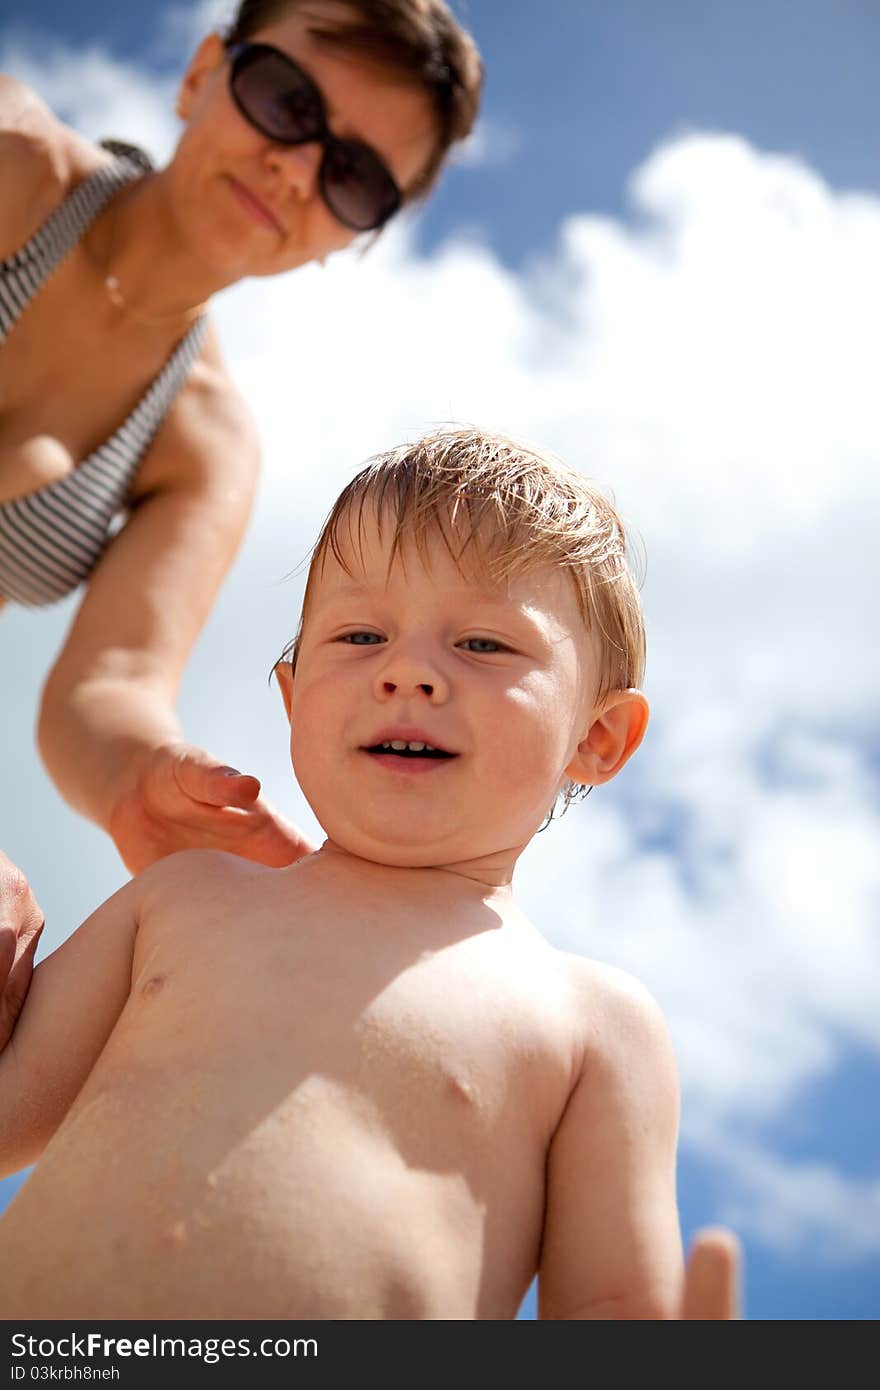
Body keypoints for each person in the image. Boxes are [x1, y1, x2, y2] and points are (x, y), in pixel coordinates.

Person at [0, 427, 741, 1319]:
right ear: (288, 696)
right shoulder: (182, 898)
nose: (407, 673)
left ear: (596, 737)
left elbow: (610, 1306)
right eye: (359, 634)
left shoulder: (595, 1022)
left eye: (484, 645)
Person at [0, 0, 483, 885]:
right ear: (200, 74)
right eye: (287, 100)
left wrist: (141, 777)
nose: (297, 168)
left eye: (356, 177)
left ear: (354, 238)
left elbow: (106, 686)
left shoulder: (207, 443)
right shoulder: (12, 157)